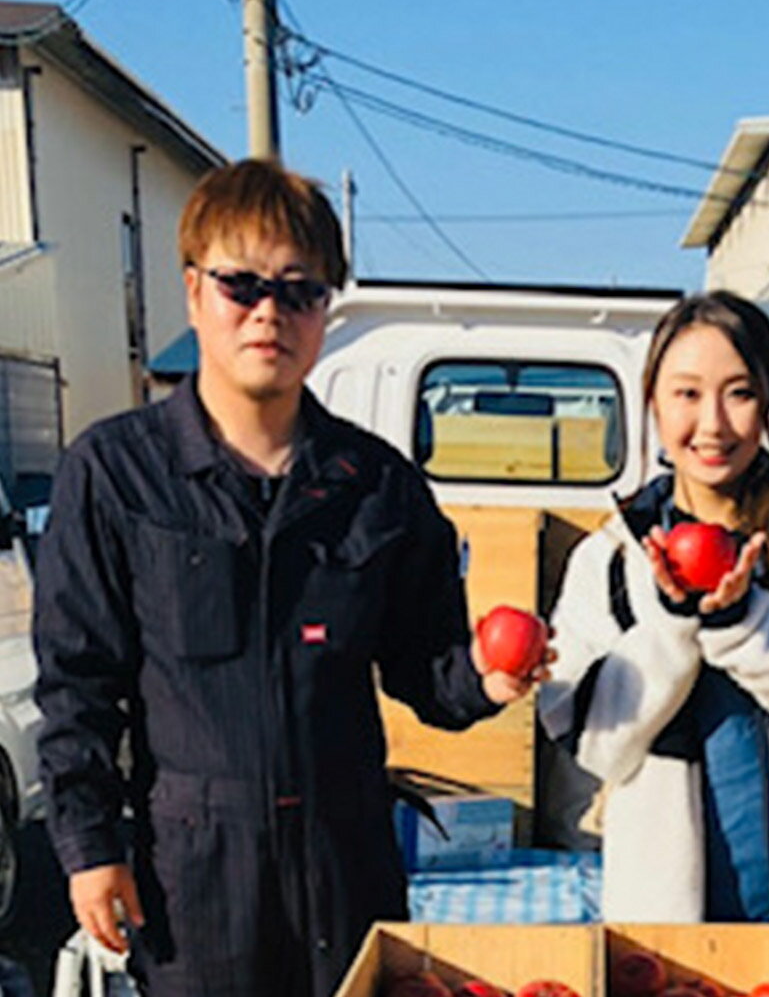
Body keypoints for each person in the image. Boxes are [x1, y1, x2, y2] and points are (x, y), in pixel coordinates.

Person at [32, 158, 539, 997]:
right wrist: (91, 850)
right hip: (192, 871)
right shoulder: (117, 476)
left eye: (299, 290)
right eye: (242, 285)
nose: (270, 312)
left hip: (346, 860)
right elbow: (79, 687)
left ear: (325, 311)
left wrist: (485, 679)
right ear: (194, 292)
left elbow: (425, 667)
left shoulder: (377, 487)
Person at [538, 290, 769, 923]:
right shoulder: (612, 556)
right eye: (686, 394)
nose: (712, 424)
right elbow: (593, 743)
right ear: (652, 402)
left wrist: (746, 624)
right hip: (666, 924)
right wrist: (673, 619)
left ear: (768, 401)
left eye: (739, 393)